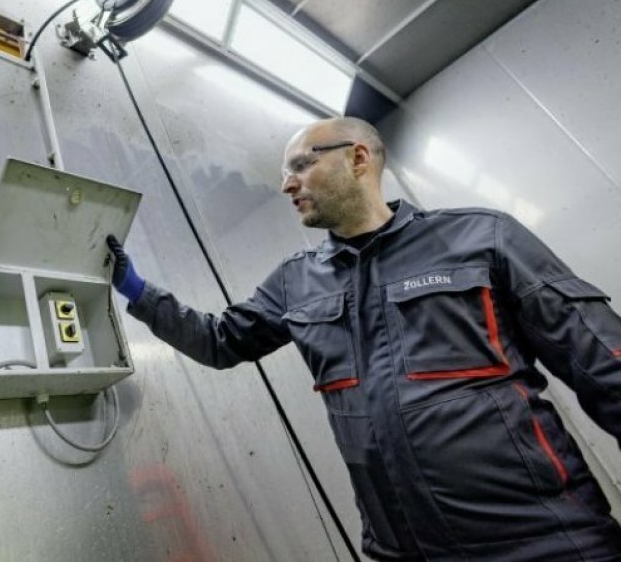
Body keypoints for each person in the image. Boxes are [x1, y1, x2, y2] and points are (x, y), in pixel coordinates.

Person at [106, 117, 621, 562]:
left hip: (546, 540)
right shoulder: (296, 280)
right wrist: (136, 289)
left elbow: (604, 362)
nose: (287, 185)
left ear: (357, 159)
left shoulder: (481, 237)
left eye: (301, 165)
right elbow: (220, 342)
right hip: (403, 550)